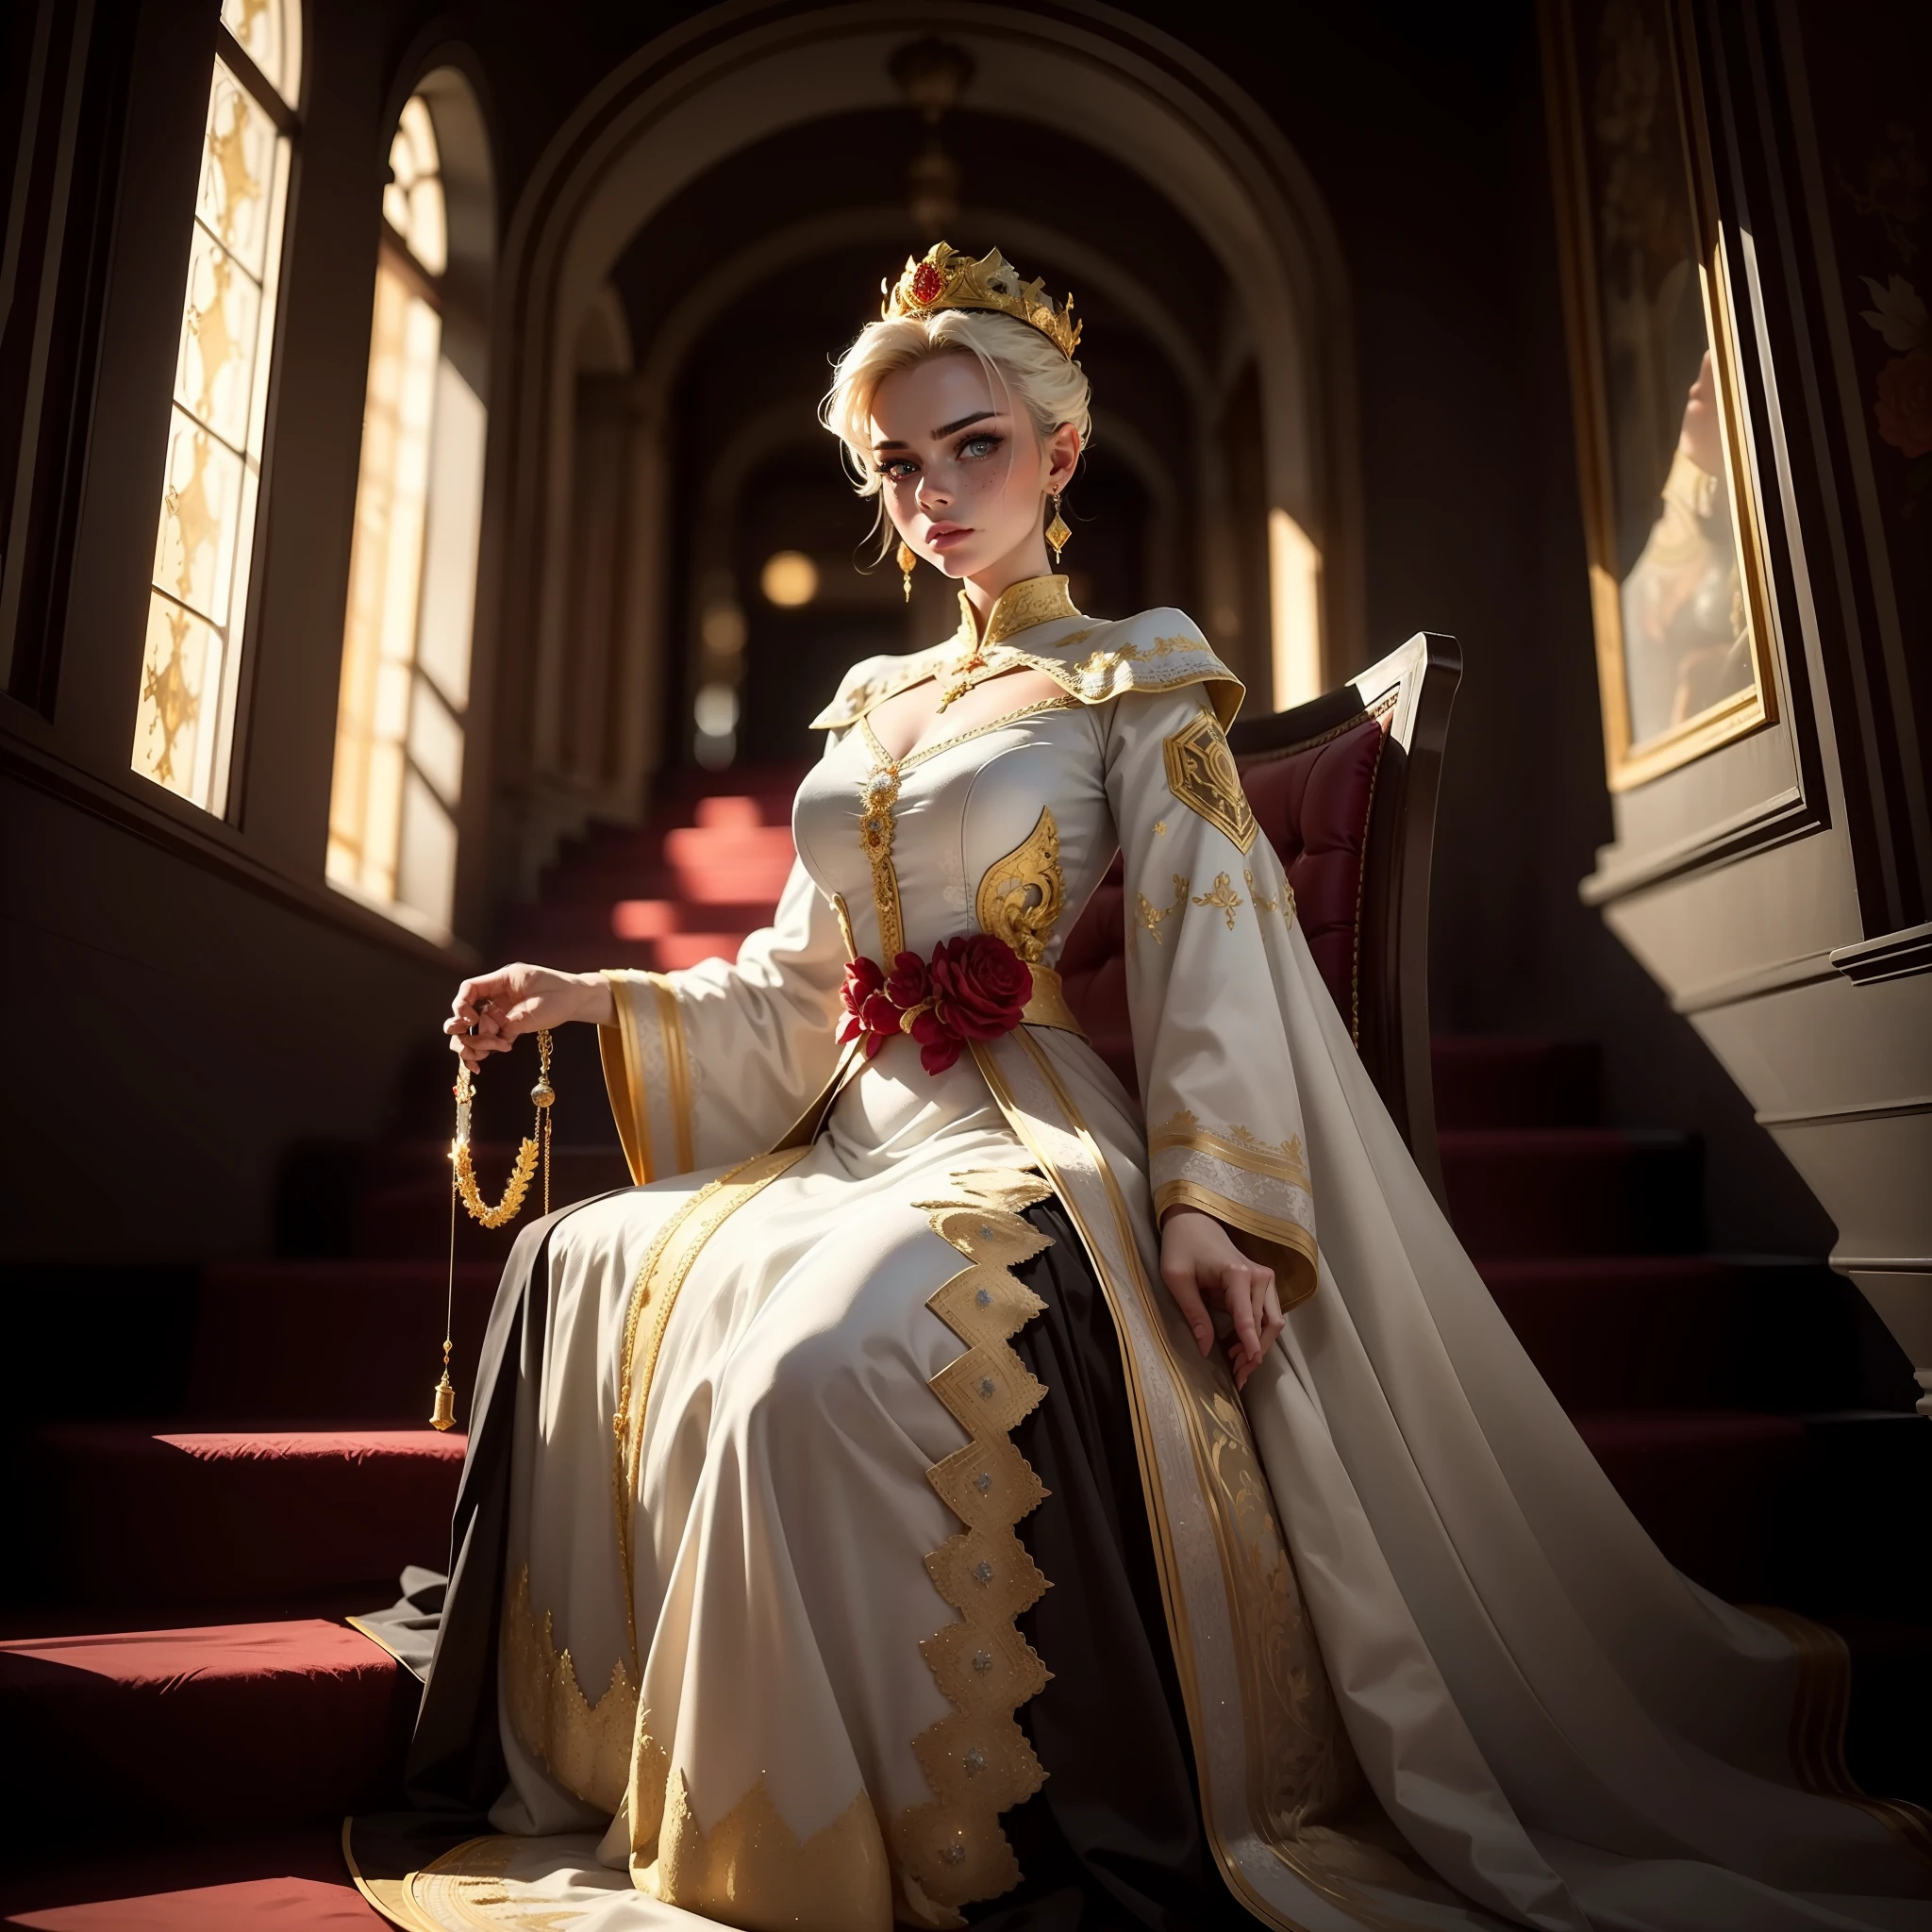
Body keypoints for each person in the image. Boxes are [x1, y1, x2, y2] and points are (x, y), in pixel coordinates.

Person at [347, 245, 1931, 1932]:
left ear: (1058, 454)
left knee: (818, 1360)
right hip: (856, 1122)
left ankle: (845, 1825)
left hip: (1023, 1126)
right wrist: (594, 997)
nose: (933, 492)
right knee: (570, 1257)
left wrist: (1208, 1199)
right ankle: (633, 1768)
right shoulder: (871, 706)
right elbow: (800, 987)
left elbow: (1212, 941)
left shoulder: (1136, 673)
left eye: (973, 447)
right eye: (897, 464)